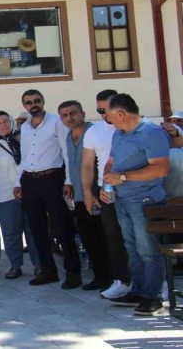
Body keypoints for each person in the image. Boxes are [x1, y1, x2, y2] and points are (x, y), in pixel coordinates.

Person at [102, 93, 170, 316]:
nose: (107, 119)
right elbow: (111, 163)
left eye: (109, 115)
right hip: (122, 200)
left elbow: (161, 168)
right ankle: (138, 291)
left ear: (121, 114)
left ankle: (153, 297)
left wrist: (122, 177)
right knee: (133, 249)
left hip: (145, 201)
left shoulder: (151, 132)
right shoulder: (118, 134)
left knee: (148, 250)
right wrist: (106, 184)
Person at [14, 89, 81, 289]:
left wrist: (68, 180)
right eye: (28, 102)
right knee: (37, 229)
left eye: (36, 101)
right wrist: (18, 182)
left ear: (43, 102)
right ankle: (48, 271)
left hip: (52, 178)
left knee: (62, 228)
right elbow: (25, 156)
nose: (33, 105)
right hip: (30, 180)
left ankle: (73, 273)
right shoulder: (25, 127)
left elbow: (66, 152)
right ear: (24, 106)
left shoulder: (56, 122)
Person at [82, 89, 131, 300]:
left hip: (135, 190)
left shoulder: (135, 126)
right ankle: (121, 281)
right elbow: (87, 164)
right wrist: (88, 192)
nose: (104, 114)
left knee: (141, 239)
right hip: (107, 192)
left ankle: (156, 282)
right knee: (113, 238)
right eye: (100, 110)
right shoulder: (94, 131)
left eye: (107, 109)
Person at [0, 111, 40, 280]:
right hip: (6, 196)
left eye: (6, 121)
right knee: (11, 232)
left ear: (11, 122)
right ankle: (15, 265)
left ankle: (39, 265)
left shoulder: (27, 140)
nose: (3, 125)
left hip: (30, 193)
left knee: (34, 231)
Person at [59, 101, 112, 292]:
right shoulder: (68, 136)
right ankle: (100, 276)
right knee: (89, 237)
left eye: (73, 113)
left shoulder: (94, 132)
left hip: (97, 193)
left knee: (105, 237)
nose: (70, 118)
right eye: (65, 115)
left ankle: (113, 277)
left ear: (82, 113)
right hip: (80, 195)